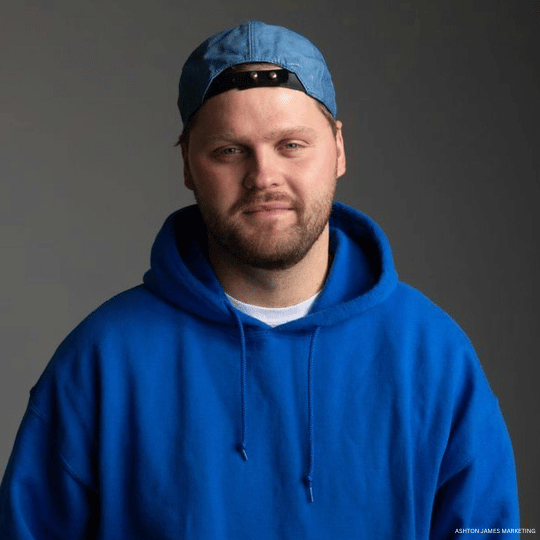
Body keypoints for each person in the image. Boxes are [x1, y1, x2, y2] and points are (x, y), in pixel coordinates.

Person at [0, 20, 519, 539]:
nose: (263, 177)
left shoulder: (434, 356)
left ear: (338, 148)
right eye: (229, 150)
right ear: (188, 165)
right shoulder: (102, 360)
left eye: (291, 144)